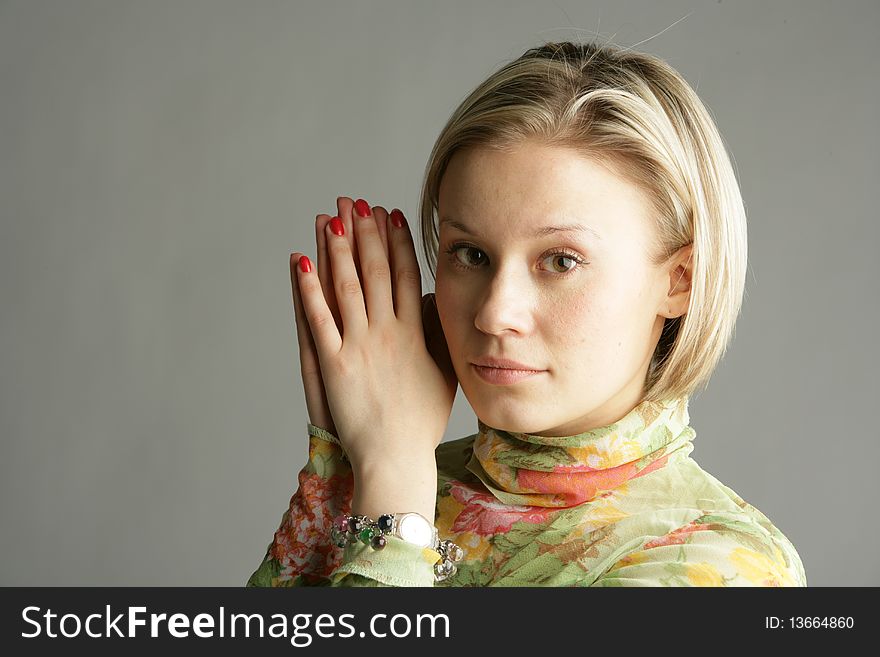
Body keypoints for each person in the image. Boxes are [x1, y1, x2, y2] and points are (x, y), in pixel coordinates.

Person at [246, 41, 806, 587]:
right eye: (470, 254)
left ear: (679, 280)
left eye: (561, 260)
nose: (494, 312)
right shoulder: (401, 476)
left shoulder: (722, 564)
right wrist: (343, 472)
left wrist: (391, 487)